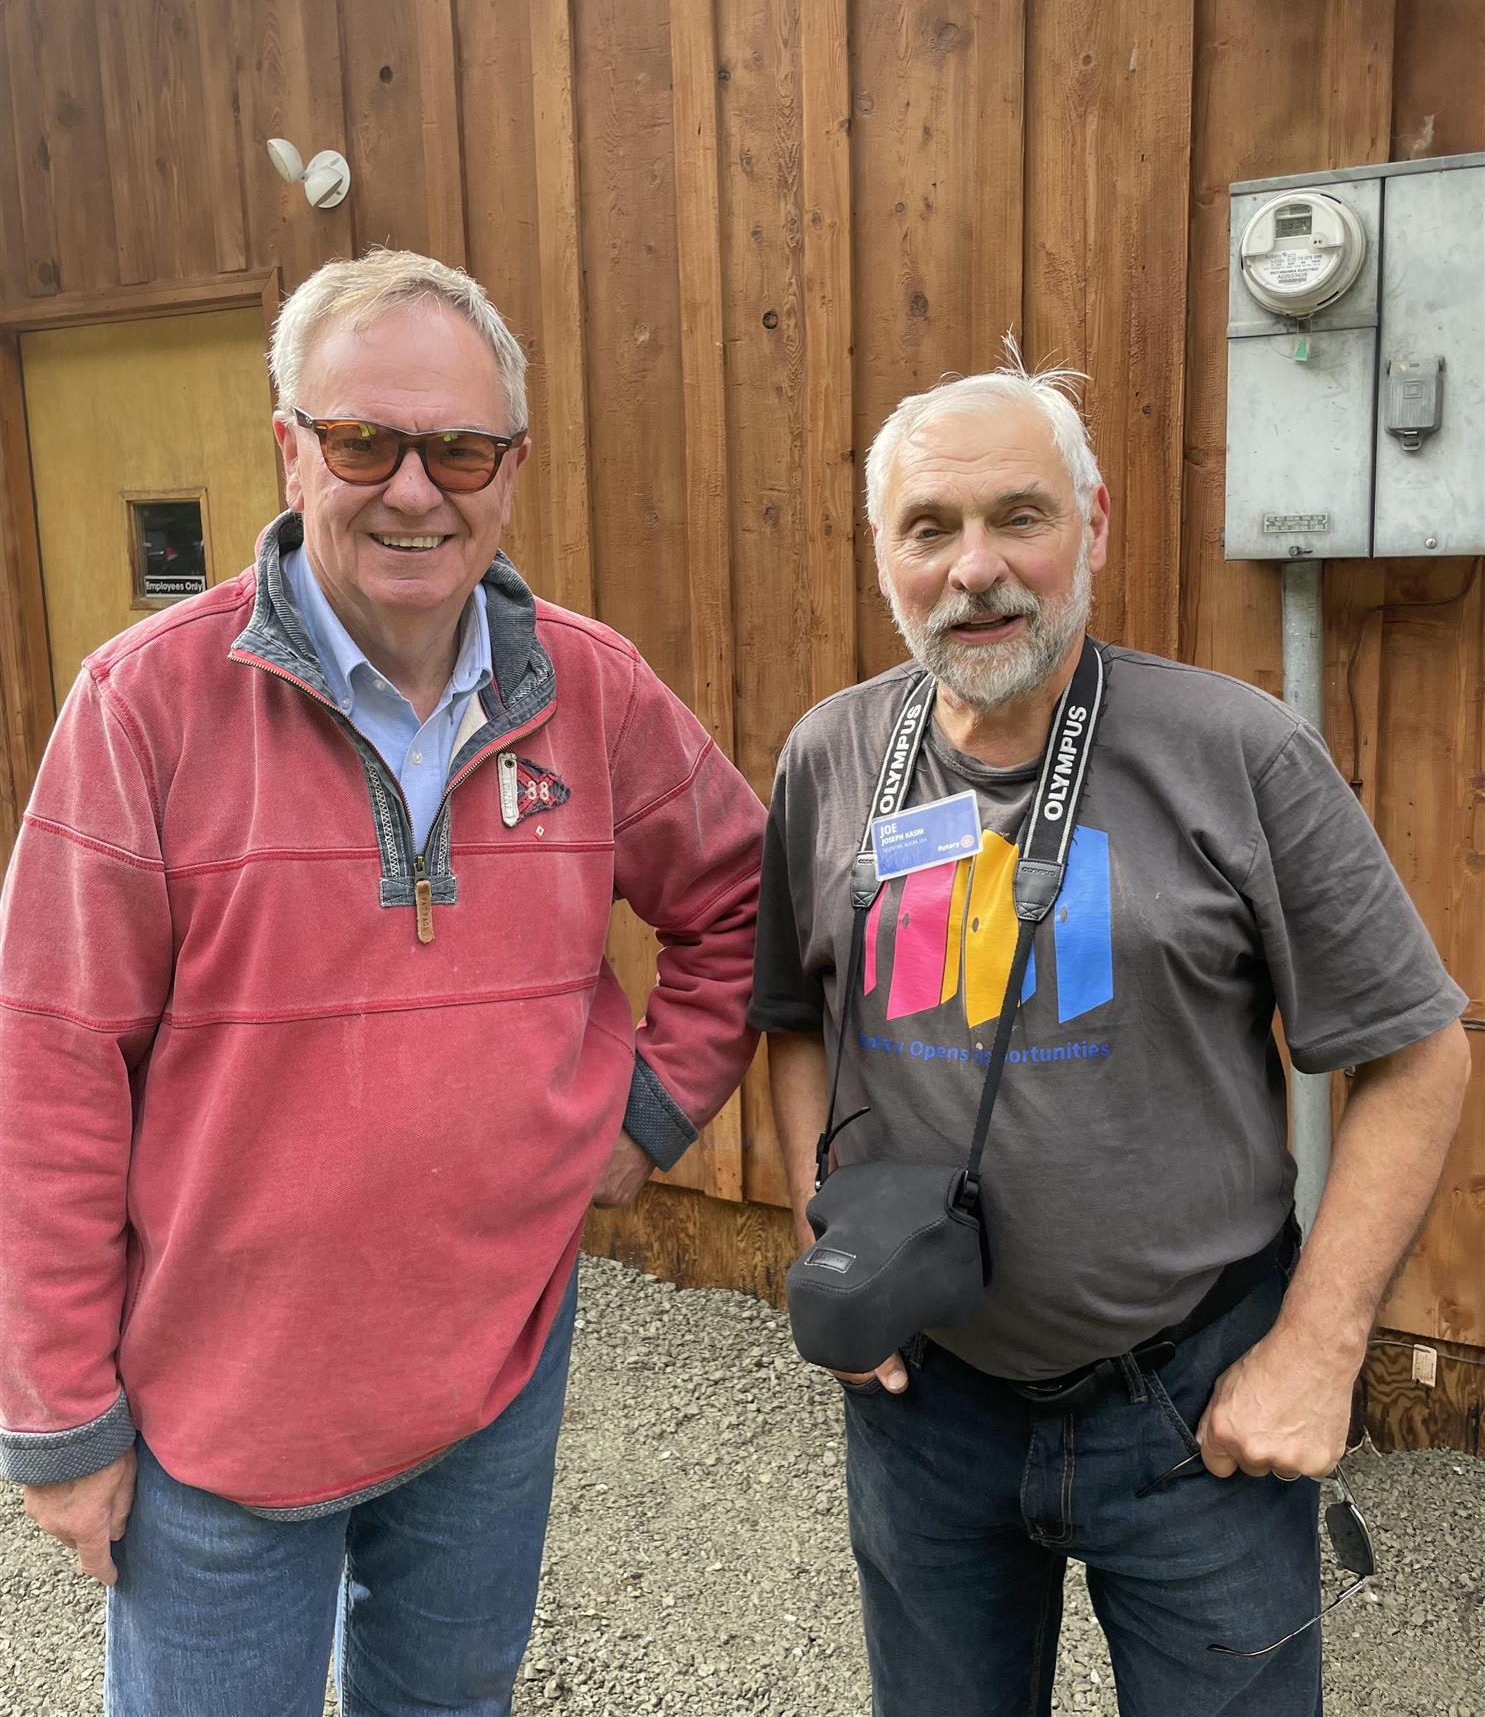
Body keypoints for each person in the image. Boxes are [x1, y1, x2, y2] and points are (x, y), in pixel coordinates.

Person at [0, 250, 765, 1717]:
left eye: (458, 448)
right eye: (364, 440)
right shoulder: (142, 706)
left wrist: (650, 1114)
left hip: (494, 1376)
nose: (414, 490)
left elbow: (739, 900)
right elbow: (49, 1066)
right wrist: (59, 1415)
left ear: (511, 472)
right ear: (290, 447)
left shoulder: (591, 692)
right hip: (217, 1414)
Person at [751, 359, 1470, 1716]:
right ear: (881, 557)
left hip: (1191, 1409)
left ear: (1091, 526)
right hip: (927, 1407)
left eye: (1016, 517)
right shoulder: (829, 756)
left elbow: (1419, 1050)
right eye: (928, 528)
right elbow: (792, 1023)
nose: (974, 570)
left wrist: (1316, 1351)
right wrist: (822, 1244)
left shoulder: (1234, 752)